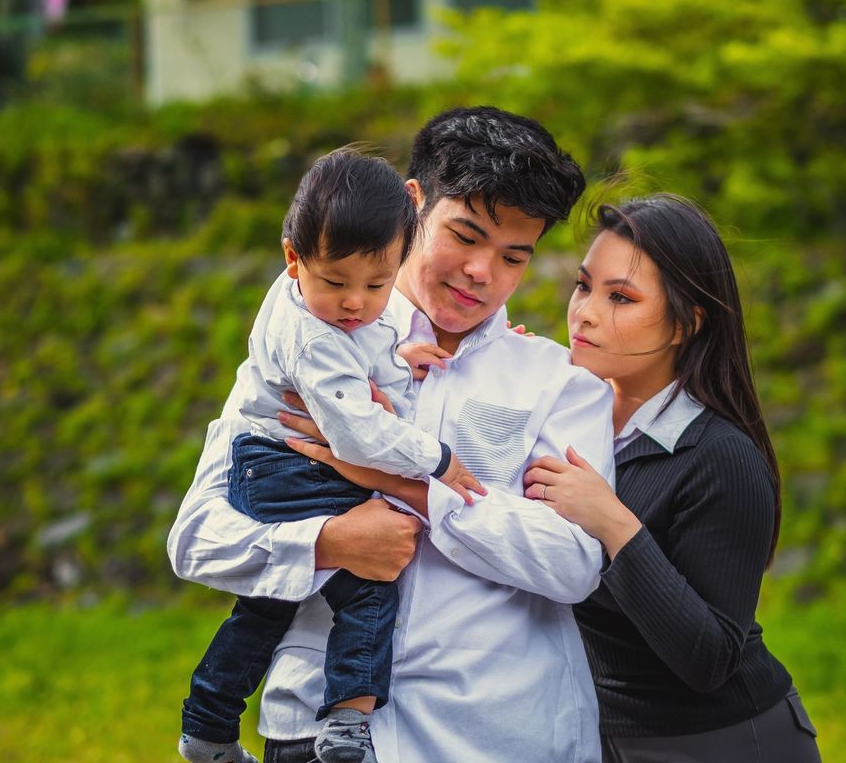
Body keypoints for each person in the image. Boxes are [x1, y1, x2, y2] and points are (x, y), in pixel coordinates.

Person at [168, 106, 615, 763]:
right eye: (465, 236)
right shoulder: (293, 357)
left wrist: (411, 488)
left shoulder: (557, 384)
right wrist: (327, 543)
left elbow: (574, 564)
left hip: (492, 737)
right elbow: (196, 541)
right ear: (413, 206)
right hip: (313, 733)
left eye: (513, 256)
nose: (481, 271)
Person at [178, 148, 485, 763]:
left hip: (270, 464)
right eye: (337, 283)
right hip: (286, 465)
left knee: (269, 602)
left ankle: (207, 726)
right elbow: (357, 434)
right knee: (369, 587)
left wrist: (395, 359)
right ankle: (347, 722)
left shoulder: (317, 304)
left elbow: (357, 360)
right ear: (293, 258)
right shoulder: (314, 338)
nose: (355, 304)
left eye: (376, 285)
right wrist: (436, 457)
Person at [523, 195, 823, 762]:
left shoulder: (720, 458)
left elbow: (709, 659)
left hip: (724, 742)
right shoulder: (559, 419)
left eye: (620, 297)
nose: (584, 312)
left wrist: (614, 524)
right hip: (599, 736)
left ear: (687, 322)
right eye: (584, 286)